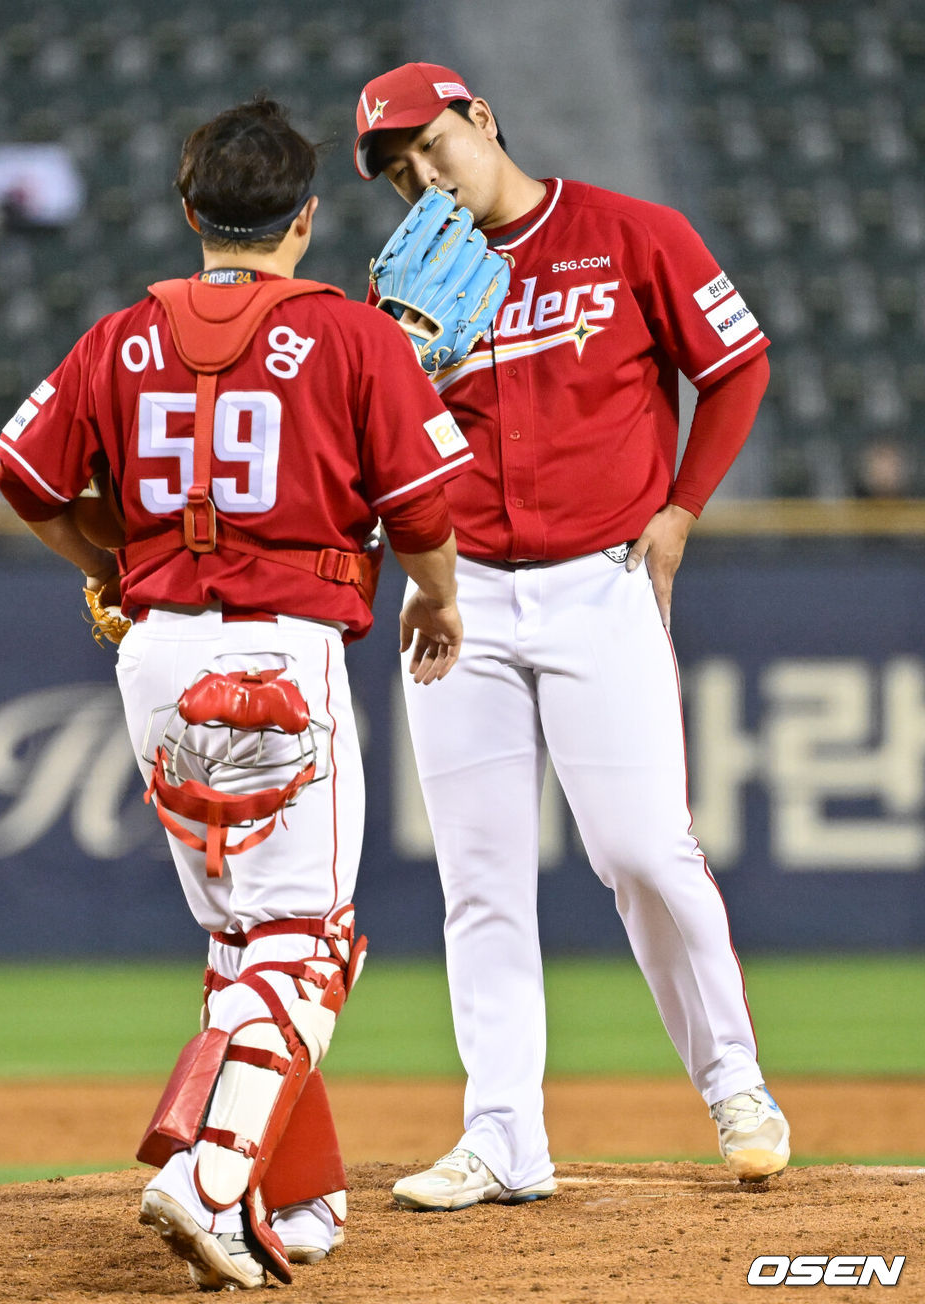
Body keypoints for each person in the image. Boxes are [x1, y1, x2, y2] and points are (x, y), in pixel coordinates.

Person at [0, 97, 468, 1290]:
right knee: (307, 941)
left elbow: (24, 472)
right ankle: (206, 1175)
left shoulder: (119, 336)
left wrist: (112, 563)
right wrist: (440, 598)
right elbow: (422, 509)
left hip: (153, 650)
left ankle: (289, 1200)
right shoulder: (353, 337)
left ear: (187, 210)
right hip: (278, 650)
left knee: (241, 934)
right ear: (306, 218)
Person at [352, 62, 790, 1210]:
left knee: (646, 850)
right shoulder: (407, 291)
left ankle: (735, 1082)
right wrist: (394, 369)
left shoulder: (631, 234)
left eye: (431, 147)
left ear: (481, 118)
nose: (422, 177)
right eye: (398, 173)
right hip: (463, 599)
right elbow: (378, 456)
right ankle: (502, 1134)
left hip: (600, 580)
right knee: (480, 878)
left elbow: (735, 370)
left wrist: (682, 507)